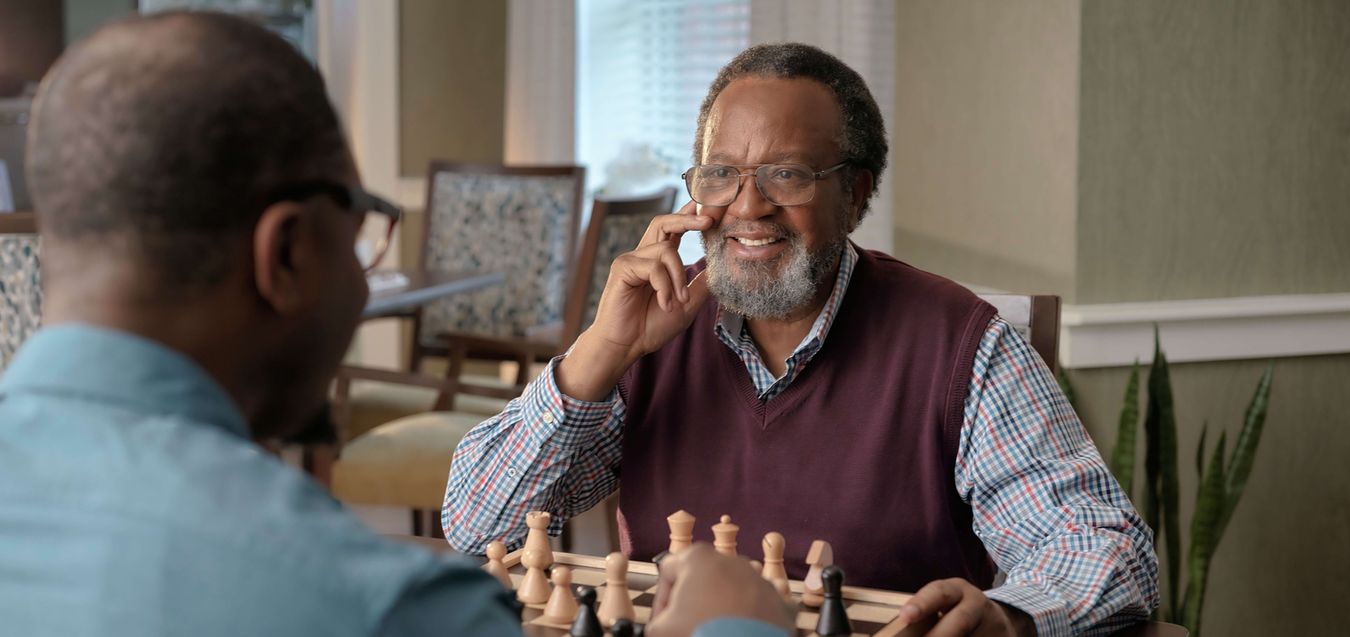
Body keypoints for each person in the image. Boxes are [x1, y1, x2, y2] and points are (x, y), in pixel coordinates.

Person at [0, 12, 792, 637]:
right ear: (288, 252)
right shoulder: (388, 608)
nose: (751, 203)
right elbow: (477, 521)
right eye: (365, 228)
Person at [444, 43, 1160, 636]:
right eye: (721, 175)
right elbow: (474, 523)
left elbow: (1109, 548)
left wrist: (1009, 619)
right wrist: (603, 349)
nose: (748, 207)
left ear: (855, 193)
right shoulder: (653, 328)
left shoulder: (961, 344)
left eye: (786, 174)